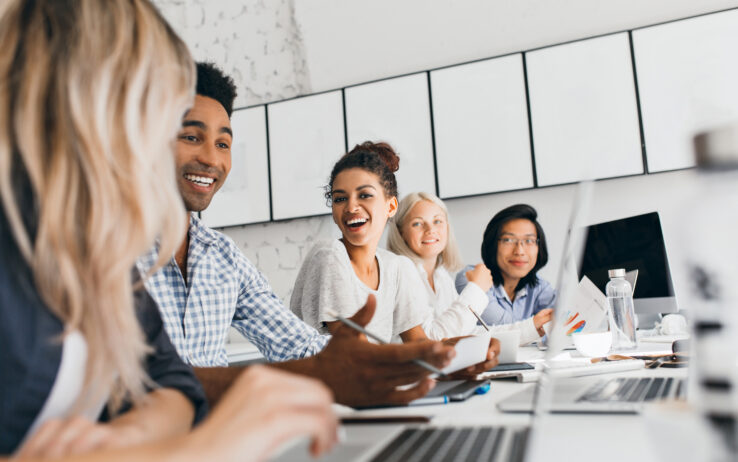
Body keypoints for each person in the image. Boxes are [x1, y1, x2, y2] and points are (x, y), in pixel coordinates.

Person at [0, 1, 337, 460]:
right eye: (155, 106)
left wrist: (126, 441)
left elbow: (170, 381)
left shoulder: (93, 245)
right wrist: (205, 447)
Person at [139, 64, 458, 407]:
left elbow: (297, 343)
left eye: (223, 143)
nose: (211, 158)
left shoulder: (222, 257)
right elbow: (115, 384)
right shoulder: (103, 249)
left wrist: (438, 365)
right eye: (191, 137)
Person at [290, 143, 499, 375]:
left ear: (391, 206)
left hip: (371, 385)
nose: (351, 207)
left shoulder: (395, 266)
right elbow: (355, 351)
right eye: (340, 199)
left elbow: (418, 342)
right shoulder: (330, 255)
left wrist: (469, 350)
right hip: (325, 392)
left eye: (365, 195)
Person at [387, 192, 550, 344]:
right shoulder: (402, 268)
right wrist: (477, 288)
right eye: (417, 223)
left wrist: (531, 327)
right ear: (401, 233)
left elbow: (467, 335)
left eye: (437, 221)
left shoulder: (441, 276)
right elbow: (431, 341)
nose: (430, 230)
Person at [456, 204, 555, 337]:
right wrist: (537, 325)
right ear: (493, 245)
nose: (519, 251)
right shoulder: (471, 278)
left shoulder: (540, 287)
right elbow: (504, 330)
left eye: (529, 240)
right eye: (508, 240)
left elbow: (563, 321)